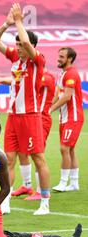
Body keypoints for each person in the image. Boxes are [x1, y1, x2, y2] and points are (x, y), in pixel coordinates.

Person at [0, 3, 51, 215]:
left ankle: (45, 202)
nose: (18, 47)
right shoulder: (15, 58)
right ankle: (5, 202)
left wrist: (19, 21)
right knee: (9, 159)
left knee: (38, 159)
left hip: (31, 116)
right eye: (16, 45)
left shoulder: (37, 60)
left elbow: (25, 39)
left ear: (32, 47)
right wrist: (6, 24)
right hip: (14, 117)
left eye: (21, 45)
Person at [0, 66, 56, 201]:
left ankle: (40, 191)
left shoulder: (46, 77)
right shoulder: (30, 77)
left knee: (37, 155)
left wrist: (0, 80)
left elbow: (21, 82)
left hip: (40, 119)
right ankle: (27, 185)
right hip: (25, 117)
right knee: (22, 153)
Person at [50, 47, 84, 192]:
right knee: (70, 149)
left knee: (64, 148)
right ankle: (74, 183)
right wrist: (47, 107)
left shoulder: (71, 74)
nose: (58, 58)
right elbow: (58, 95)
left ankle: (63, 183)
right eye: (59, 56)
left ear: (69, 58)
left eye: (62, 56)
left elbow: (67, 97)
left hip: (73, 117)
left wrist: (51, 109)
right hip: (65, 118)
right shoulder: (62, 74)